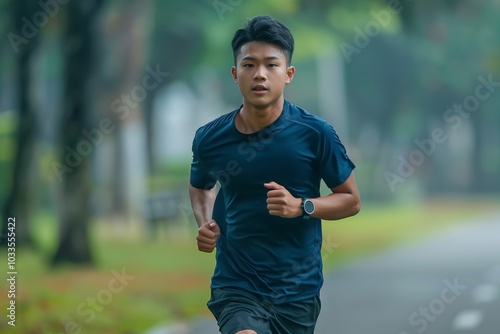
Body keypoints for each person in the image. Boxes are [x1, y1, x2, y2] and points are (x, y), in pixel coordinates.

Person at [189, 14, 360, 334]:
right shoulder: (211, 138)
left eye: (271, 65)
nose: (260, 75)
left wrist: (302, 206)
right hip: (236, 284)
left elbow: (350, 200)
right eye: (249, 65)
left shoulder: (315, 134)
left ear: (289, 73)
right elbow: (200, 185)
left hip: (297, 290)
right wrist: (205, 223)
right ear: (234, 73)